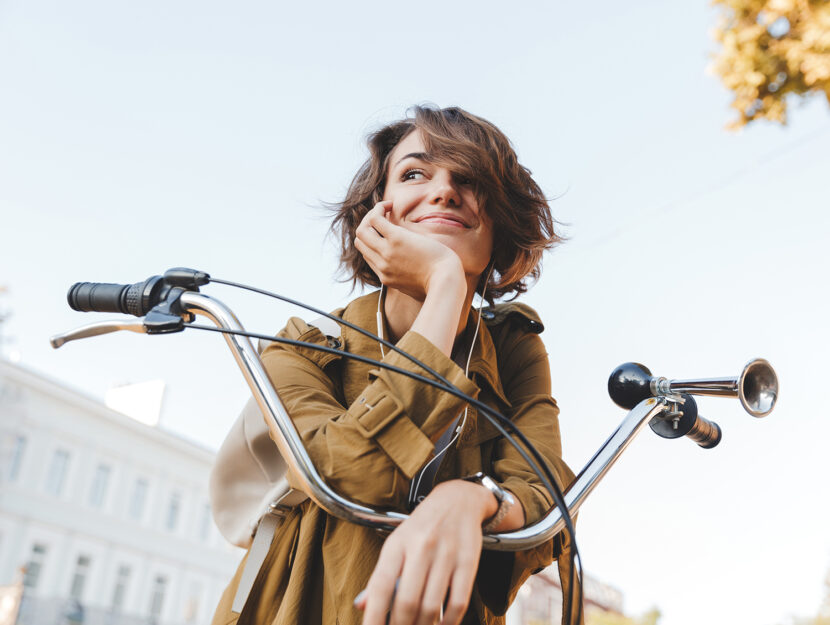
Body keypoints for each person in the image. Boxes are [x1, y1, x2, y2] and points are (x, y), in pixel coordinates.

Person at [211, 105, 578, 625]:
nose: (445, 191)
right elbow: (351, 475)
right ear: (376, 213)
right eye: (413, 174)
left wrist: (471, 500)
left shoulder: (514, 349)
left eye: (469, 179)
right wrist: (446, 284)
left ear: (499, 221)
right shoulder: (300, 349)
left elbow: (545, 500)